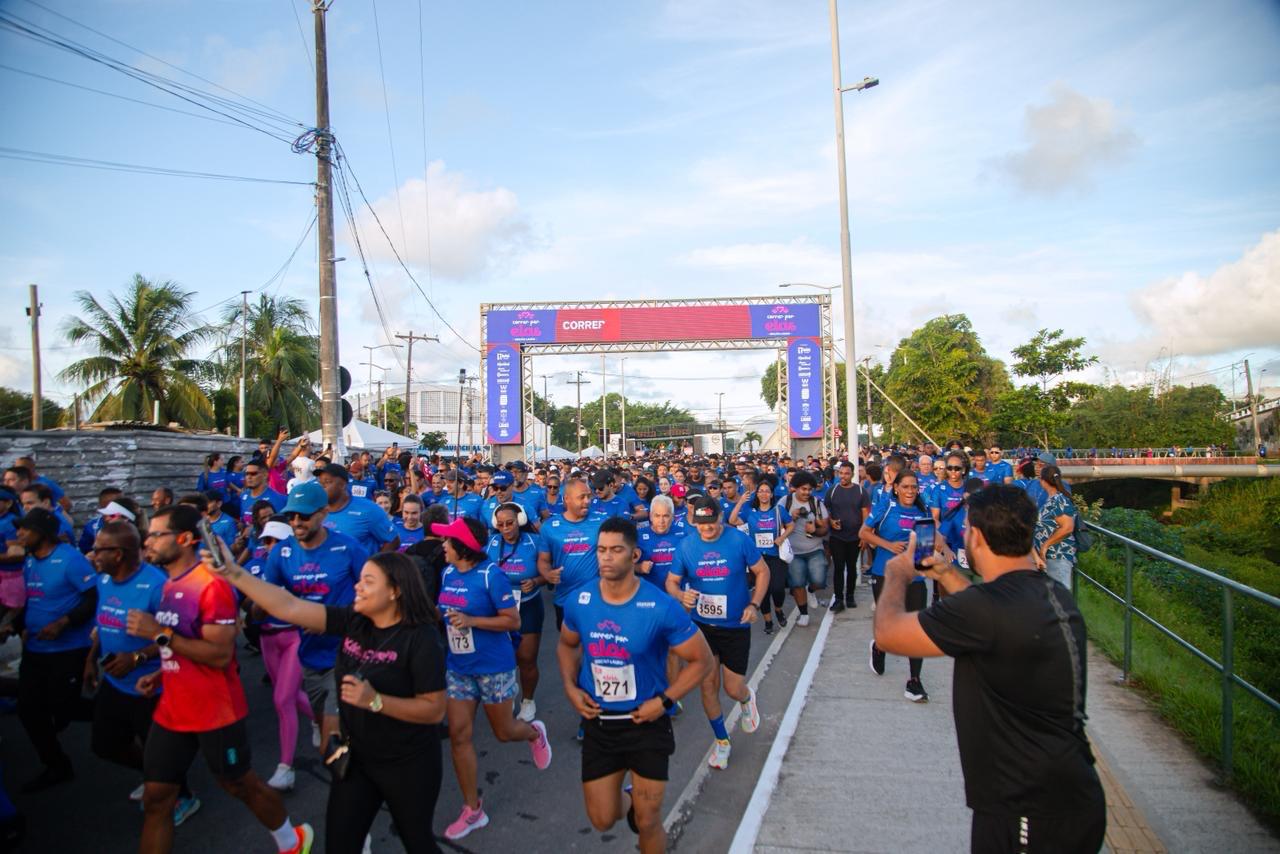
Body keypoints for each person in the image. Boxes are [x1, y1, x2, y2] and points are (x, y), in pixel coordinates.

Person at [872, 485, 1106, 853]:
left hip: (1024, 807)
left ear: (975, 537)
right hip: (1069, 793)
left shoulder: (985, 610)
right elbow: (988, 609)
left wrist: (898, 574)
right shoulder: (1051, 593)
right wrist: (948, 575)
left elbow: (887, 634)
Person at [208, 541, 448, 854]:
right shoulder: (354, 620)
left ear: (395, 592)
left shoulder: (422, 639)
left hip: (407, 764)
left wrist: (376, 701)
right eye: (359, 579)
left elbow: (434, 710)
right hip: (357, 758)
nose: (357, 587)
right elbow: (288, 606)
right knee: (340, 843)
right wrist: (234, 573)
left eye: (368, 582)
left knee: (417, 840)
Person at [127, 505, 313, 854]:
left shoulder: (211, 585)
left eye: (156, 534)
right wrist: (160, 671)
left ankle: (291, 840)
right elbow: (182, 643)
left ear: (183, 539)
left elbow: (218, 655)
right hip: (173, 708)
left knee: (240, 785)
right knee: (156, 799)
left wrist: (159, 635)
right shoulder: (170, 582)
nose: (147, 541)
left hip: (215, 710)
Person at [557, 517, 715, 853]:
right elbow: (567, 644)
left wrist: (665, 700)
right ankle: (631, 801)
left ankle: (643, 813)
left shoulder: (660, 606)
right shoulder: (580, 601)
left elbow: (702, 660)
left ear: (634, 555)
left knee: (648, 821)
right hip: (600, 724)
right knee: (602, 819)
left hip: (647, 723)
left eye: (616, 550)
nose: (606, 558)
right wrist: (570, 688)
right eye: (601, 550)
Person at [435, 516, 552, 841]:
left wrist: (471, 620)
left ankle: (532, 733)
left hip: (494, 666)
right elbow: (442, 610)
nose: (443, 546)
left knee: (504, 732)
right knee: (459, 736)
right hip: (459, 667)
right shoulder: (446, 573)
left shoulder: (491, 576)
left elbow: (512, 621)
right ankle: (473, 809)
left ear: (462, 548)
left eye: (447, 541)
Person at [84, 521, 200, 823]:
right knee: (105, 744)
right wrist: (90, 660)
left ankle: (182, 797)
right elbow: (102, 624)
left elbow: (176, 637)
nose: (92, 554)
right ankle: (152, 778)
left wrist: (137, 656)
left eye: (99, 550)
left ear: (119, 554)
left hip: (152, 686)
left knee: (162, 753)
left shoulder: (157, 587)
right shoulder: (104, 580)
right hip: (114, 682)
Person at [263, 481, 368, 755]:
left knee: (333, 741)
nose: (296, 522)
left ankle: (356, 789)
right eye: (291, 516)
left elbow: (374, 595)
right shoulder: (281, 553)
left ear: (323, 513)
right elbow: (269, 598)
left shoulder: (348, 548)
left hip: (346, 655)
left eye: (304, 515)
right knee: (325, 728)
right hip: (309, 658)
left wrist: (331, 621)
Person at [668, 496, 768, 770]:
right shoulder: (686, 546)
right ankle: (722, 742)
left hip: (736, 626)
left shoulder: (738, 540)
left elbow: (762, 571)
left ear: (720, 518)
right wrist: (680, 595)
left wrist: (754, 603)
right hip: (702, 627)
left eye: (711, 523)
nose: (707, 529)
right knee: (708, 686)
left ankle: (747, 699)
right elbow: (672, 582)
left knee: (732, 687)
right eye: (701, 524)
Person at [9, 508, 97, 791]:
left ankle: (113, 713)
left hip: (68, 649)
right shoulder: (30, 561)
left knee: (63, 706)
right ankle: (56, 765)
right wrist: (17, 624)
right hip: (35, 649)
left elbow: (91, 598)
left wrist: (63, 623)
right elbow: (31, 599)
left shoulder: (70, 560)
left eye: (25, 529)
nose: (19, 533)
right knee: (28, 709)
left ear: (43, 533)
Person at [242, 519, 315, 791]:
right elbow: (245, 601)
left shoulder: (301, 567)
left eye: (274, 541)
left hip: (293, 637)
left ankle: (286, 767)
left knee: (282, 699)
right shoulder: (257, 566)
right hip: (267, 639)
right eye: (266, 541)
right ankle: (324, 721)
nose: (269, 546)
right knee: (290, 695)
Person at [861, 471, 932, 703]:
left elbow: (925, 548)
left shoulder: (923, 511)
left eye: (914, 487)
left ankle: (914, 681)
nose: (910, 491)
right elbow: (864, 533)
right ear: (896, 488)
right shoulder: (885, 506)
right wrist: (889, 545)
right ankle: (880, 647)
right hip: (885, 572)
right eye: (906, 487)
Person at [485, 502, 546, 722]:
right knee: (505, 657)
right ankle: (508, 692)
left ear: (519, 521)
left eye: (510, 523)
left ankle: (528, 700)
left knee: (526, 658)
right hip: (500, 609)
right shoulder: (490, 543)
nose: (506, 528)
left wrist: (536, 580)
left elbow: (547, 572)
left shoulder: (535, 541)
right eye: (500, 525)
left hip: (528, 605)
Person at [538, 479, 604, 631]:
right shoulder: (549, 527)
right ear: (566, 498)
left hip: (597, 599)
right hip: (565, 599)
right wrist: (548, 574)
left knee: (597, 648)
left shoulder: (601, 522)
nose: (587, 501)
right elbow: (543, 560)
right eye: (581, 497)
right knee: (569, 647)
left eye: (589, 496)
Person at [727, 480, 791, 635]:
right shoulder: (750, 512)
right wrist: (741, 501)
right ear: (757, 494)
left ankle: (778, 609)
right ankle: (768, 621)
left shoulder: (778, 510)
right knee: (763, 591)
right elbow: (732, 520)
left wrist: (782, 538)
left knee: (777, 588)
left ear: (771, 494)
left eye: (767, 491)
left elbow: (791, 525)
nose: (764, 494)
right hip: (757, 559)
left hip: (775, 556)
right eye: (761, 491)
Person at [317, 464, 400, 554]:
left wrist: (374, 564)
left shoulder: (368, 509)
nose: (322, 487)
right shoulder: (315, 511)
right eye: (320, 483)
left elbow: (393, 540)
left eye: (327, 482)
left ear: (342, 485)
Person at [782, 471, 830, 621]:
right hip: (793, 552)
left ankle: (811, 590)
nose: (807, 492)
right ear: (795, 488)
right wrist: (791, 518)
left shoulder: (816, 504)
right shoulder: (785, 502)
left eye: (810, 489)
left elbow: (825, 529)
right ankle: (803, 614)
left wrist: (815, 530)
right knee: (797, 583)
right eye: (803, 489)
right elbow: (776, 526)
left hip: (814, 549)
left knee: (819, 581)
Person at [825, 460, 869, 617]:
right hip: (837, 537)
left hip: (855, 537)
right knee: (838, 567)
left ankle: (850, 596)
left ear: (852, 474)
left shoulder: (861, 492)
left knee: (852, 568)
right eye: (841, 473)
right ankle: (838, 599)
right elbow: (826, 511)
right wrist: (831, 521)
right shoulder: (832, 491)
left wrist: (864, 536)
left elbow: (866, 515)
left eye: (846, 473)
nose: (843, 476)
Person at [1033, 465, 1076, 589]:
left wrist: (1046, 545)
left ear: (1044, 481)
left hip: (1058, 555)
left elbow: (1067, 527)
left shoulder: (1059, 500)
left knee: (1060, 598)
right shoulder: (1052, 499)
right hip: (1049, 558)